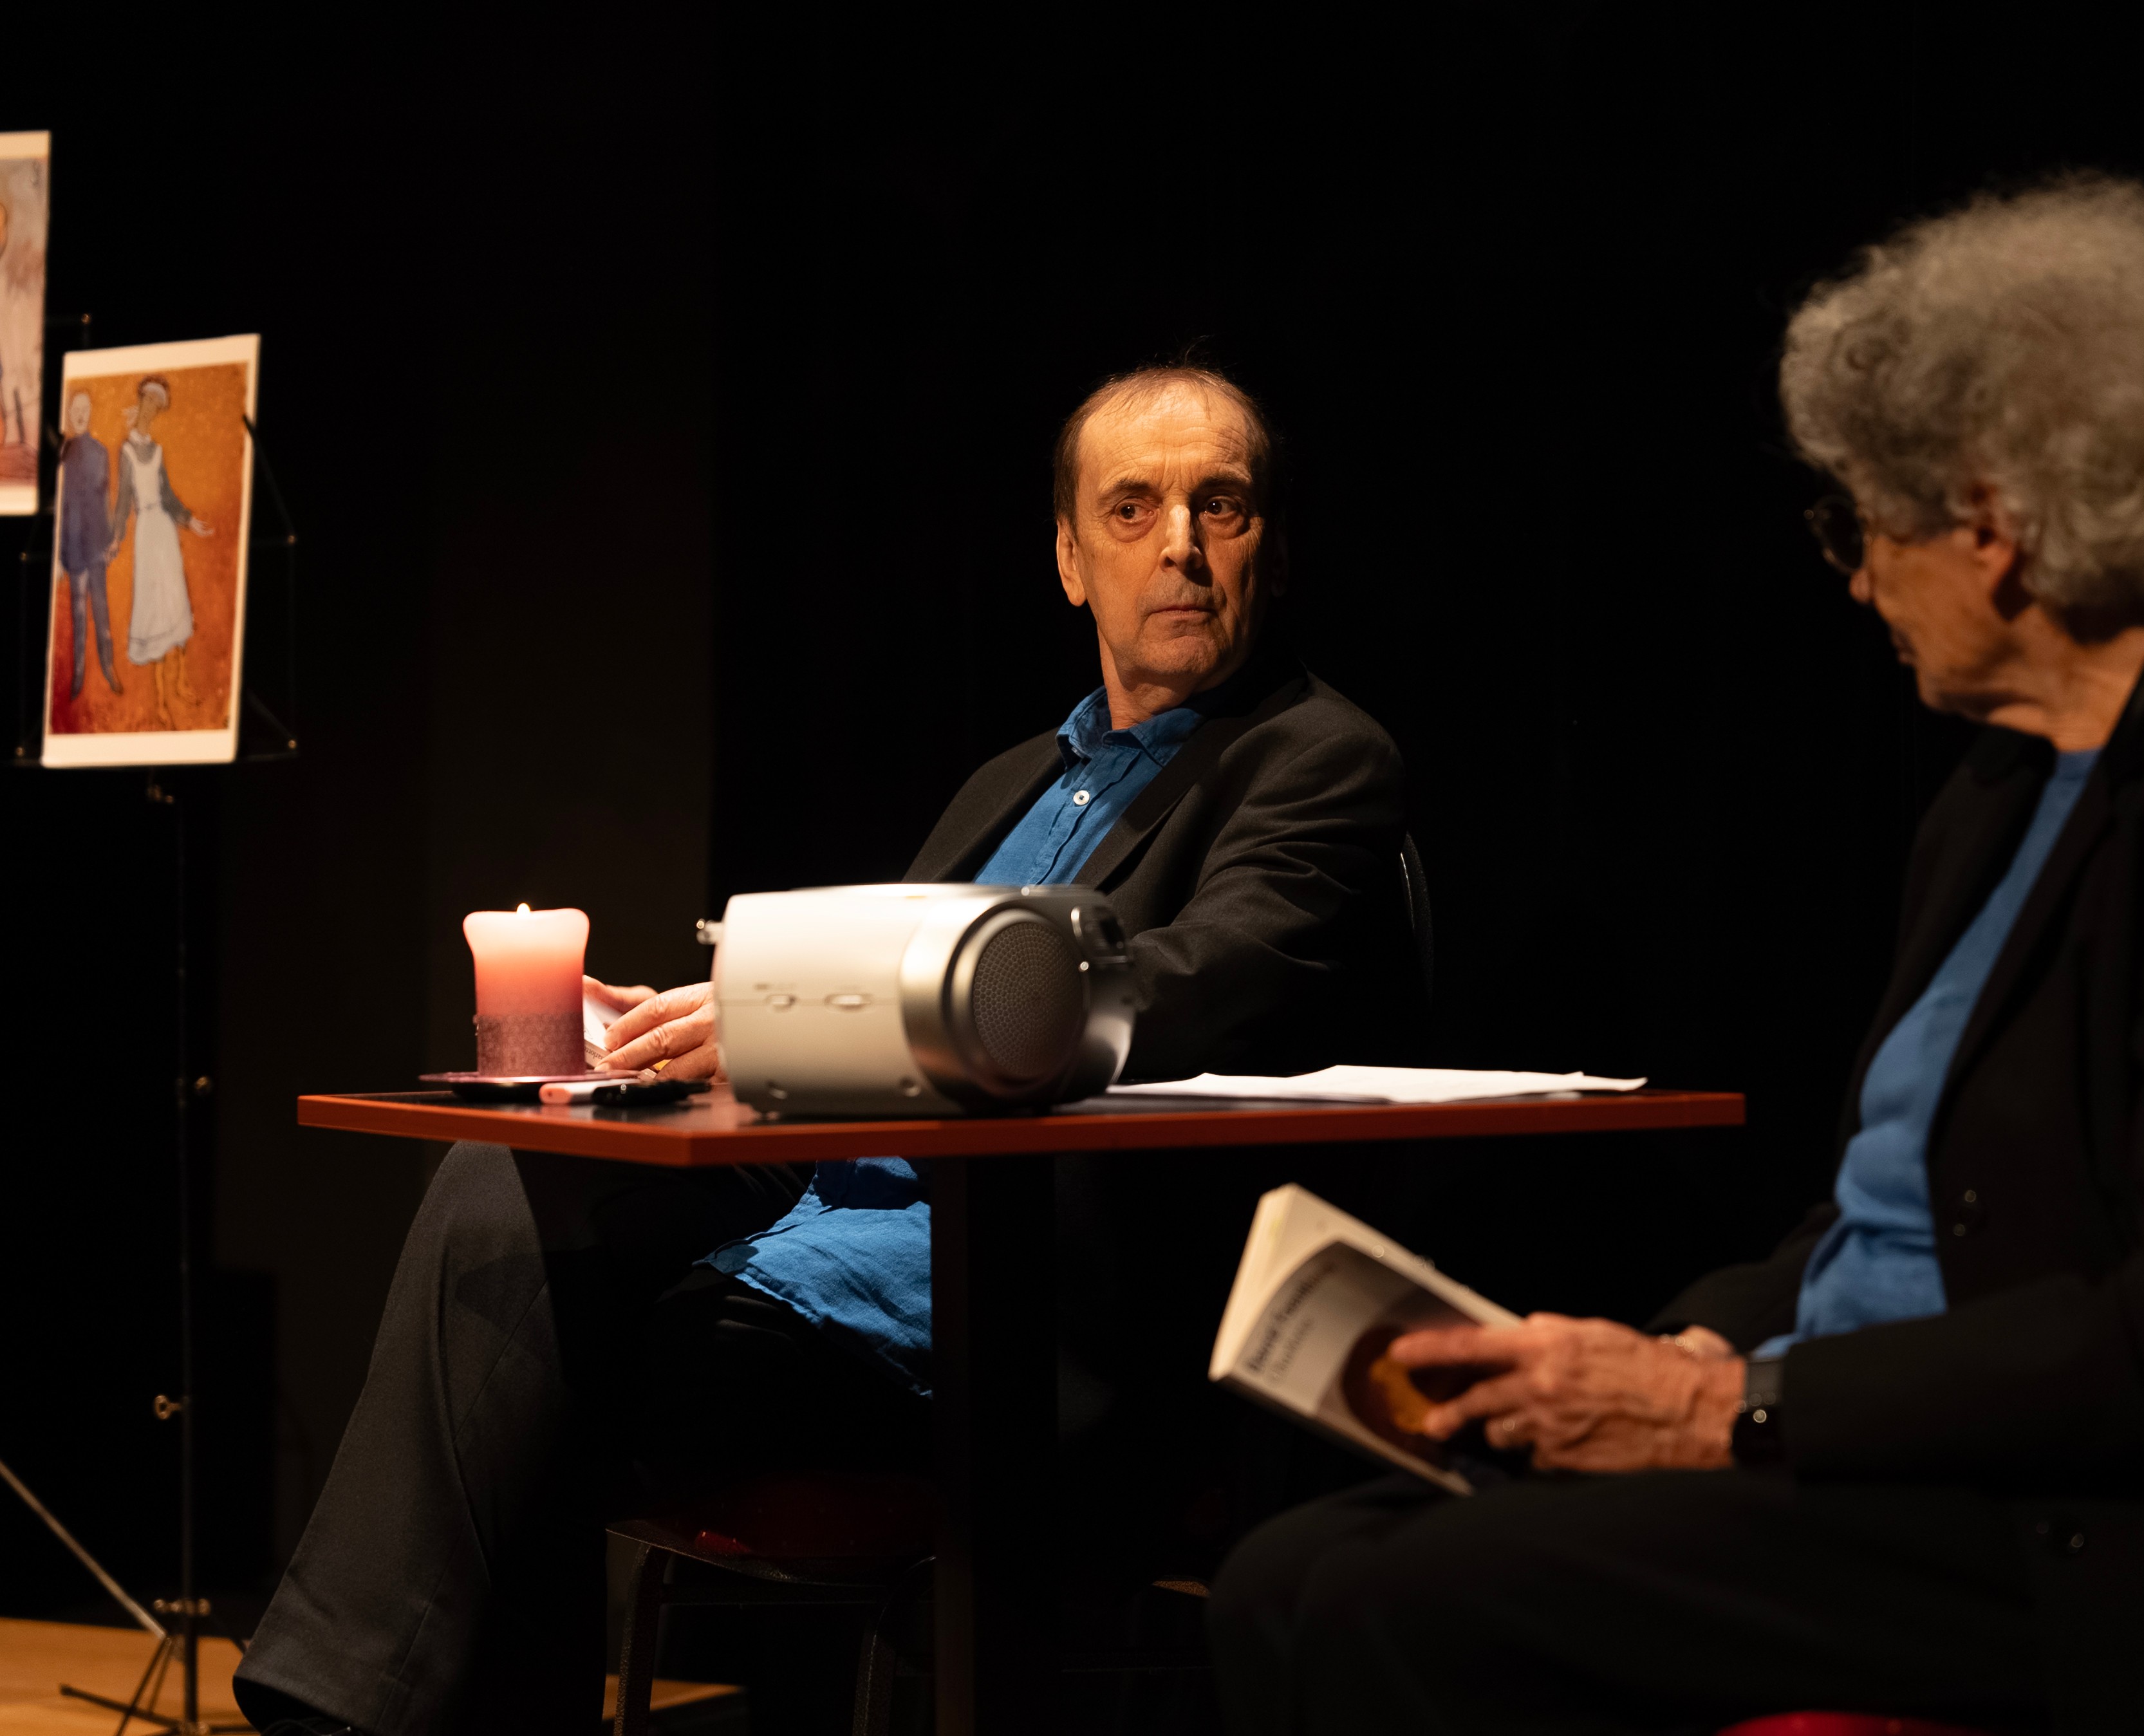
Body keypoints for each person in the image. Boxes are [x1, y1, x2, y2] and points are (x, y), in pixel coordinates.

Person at [1209, 174, 2144, 1735]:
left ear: (1990, 524)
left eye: (1858, 520)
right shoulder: (1992, 791)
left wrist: (1728, 1402)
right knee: (1283, 1571)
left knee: (1396, 1603)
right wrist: (1670, 1347)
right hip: (1842, 1435)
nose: (1850, 577)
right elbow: (1873, 1210)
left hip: (2060, 1519)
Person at [235, 364, 1423, 1736]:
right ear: (1068, 559)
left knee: (527, 1342)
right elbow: (871, 1008)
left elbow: (1186, 986)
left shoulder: (1317, 759)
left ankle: (351, 1713)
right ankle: (355, 1708)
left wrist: (790, 1015)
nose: (1179, 546)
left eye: (1220, 505)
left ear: (1272, 540)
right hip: (809, 1225)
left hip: (1018, 1301)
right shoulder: (1013, 781)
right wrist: (702, 1038)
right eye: (1132, 507)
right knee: (500, 1191)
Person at [109, 375, 214, 727]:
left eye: (157, 406)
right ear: (140, 402)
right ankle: (161, 701)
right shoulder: (126, 451)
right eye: (147, 401)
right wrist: (116, 538)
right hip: (146, 535)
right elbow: (123, 503)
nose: (150, 409)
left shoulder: (157, 451)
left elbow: (168, 495)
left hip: (166, 532)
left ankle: (181, 682)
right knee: (153, 608)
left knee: (175, 601)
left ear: (158, 412)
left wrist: (190, 520)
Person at [56, 389, 121, 698]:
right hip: (73, 547)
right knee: (79, 614)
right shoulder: (63, 454)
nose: (81, 414)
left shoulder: (100, 452)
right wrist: (59, 557)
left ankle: (109, 668)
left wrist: (110, 542)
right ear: (69, 414)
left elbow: (105, 501)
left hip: (97, 546)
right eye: (76, 409)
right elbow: (60, 508)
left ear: (90, 412)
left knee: (101, 609)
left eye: (85, 408)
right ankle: (79, 676)